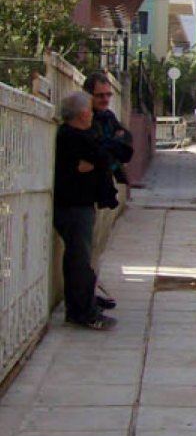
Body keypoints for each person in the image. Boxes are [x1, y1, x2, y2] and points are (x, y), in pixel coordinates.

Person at [53, 90, 117, 330]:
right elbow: (101, 156)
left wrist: (95, 162)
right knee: (80, 260)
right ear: (81, 114)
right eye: (89, 110)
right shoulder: (72, 136)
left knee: (78, 259)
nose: (92, 114)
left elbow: (103, 157)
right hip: (73, 207)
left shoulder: (82, 135)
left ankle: (82, 306)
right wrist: (96, 161)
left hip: (79, 205)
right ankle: (84, 313)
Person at [83, 72, 134, 211]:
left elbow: (126, 144)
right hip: (86, 191)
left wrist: (115, 142)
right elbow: (99, 152)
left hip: (102, 188)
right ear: (88, 95)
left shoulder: (108, 115)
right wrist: (114, 142)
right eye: (100, 95)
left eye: (108, 95)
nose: (105, 99)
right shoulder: (85, 119)